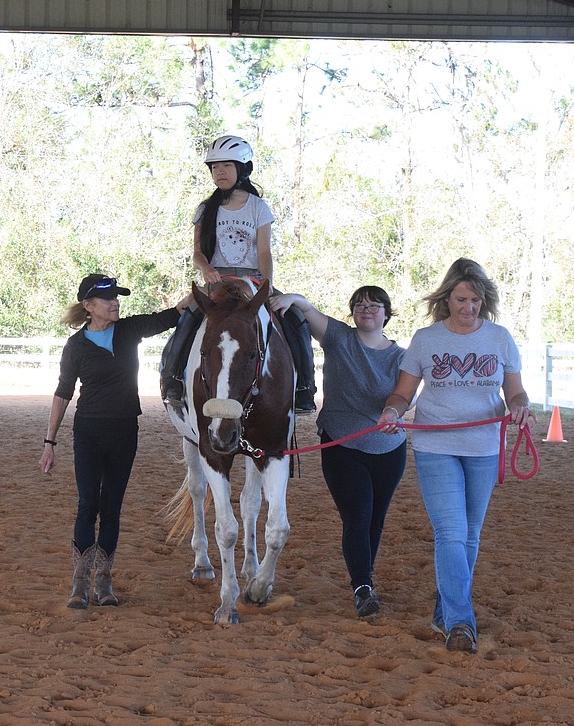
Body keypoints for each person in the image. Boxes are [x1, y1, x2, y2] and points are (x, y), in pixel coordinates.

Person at [376, 258, 535, 653]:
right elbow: (403, 392)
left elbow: (516, 391)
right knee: (450, 531)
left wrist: (519, 406)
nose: (469, 307)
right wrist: (393, 411)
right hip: (435, 446)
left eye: (476, 301)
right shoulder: (426, 340)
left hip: (483, 445)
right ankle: (461, 623)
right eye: (462, 299)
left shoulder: (500, 338)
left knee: (470, 534)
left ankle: (446, 605)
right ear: (447, 299)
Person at [40, 273, 191, 609]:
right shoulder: (76, 346)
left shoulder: (128, 331)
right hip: (89, 432)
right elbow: (63, 394)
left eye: (116, 297)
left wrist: (205, 288)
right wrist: (49, 441)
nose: (115, 303)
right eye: (107, 299)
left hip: (125, 430)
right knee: (87, 505)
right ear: (89, 306)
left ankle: (103, 583)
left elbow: (173, 314)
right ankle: (79, 585)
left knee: (112, 508)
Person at [274, 287, 407, 618]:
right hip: (342, 444)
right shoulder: (338, 339)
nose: (366, 310)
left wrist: (394, 413)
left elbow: (408, 394)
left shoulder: (401, 357)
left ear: (386, 313)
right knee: (358, 515)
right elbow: (307, 308)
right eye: (359, 306)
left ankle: (366, 579)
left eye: (374, 306)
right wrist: (289, 297)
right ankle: (362, 586)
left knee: (376, 519)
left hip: (390, 447)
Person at [160, 134, 317, 413]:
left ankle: (305, 386)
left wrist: (267, 287)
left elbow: (264, 252)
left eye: (226, 166)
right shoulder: (206, 209)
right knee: (189, 317)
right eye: (214, 167)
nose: (219, 172)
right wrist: (206, 268)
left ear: (242, 168)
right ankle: (172, 378)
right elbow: (197, 252)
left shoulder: (258, 208)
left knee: (294, 316)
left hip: (252, 279)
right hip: (217, 281)